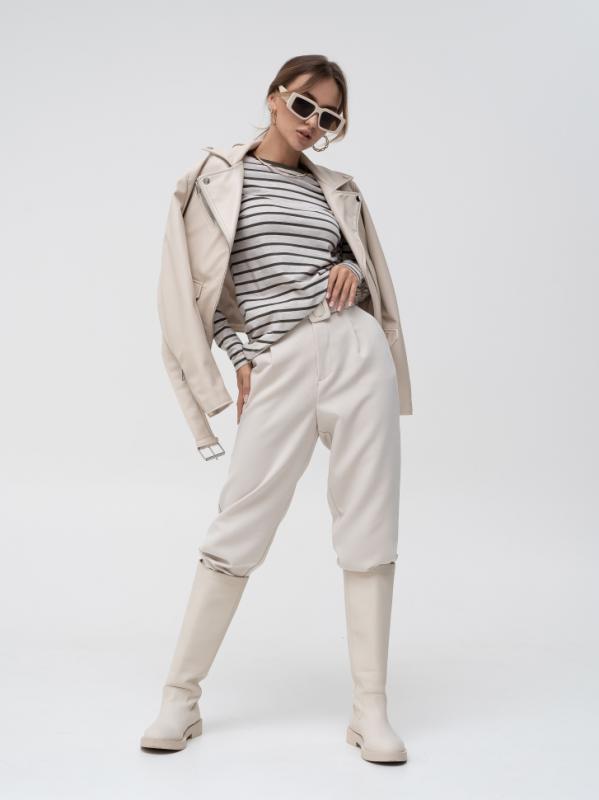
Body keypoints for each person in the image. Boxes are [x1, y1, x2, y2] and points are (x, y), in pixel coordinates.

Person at [141, 54, 412, 764]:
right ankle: (180, 698)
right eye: (303, 106)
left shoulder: (337, 190)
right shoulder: (212, 179)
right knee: (238, 525)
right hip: (280, 361)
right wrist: (238, 357)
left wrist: (349, 268)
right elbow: (200, 292)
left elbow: (360, 270)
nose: (313, 124)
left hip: (356, 353)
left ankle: (370, 710)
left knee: (370, 521)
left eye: (330, 118)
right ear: (272, 97)